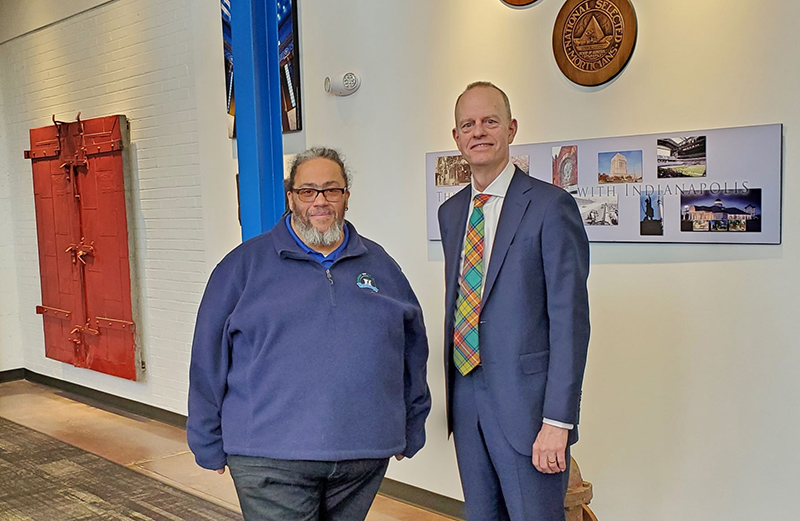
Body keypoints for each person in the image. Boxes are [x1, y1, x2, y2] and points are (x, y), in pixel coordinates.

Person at [188, 147, 431, 521]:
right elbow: (208, 357)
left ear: (347, 197)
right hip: (269, 457)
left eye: (332, 190)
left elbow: (413, 350)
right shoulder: (243, 266)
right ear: (291, 197)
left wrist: (412, 425)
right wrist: (205, 438)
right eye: (308, 191)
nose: (320, 201)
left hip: (361, 457)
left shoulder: (381, 266)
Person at [438, 82, 590, 520]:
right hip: (466, 396)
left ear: (511, 128)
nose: (478, 132)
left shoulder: (550, 206)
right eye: (468, 124)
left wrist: (558, 422)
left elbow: (570, 322)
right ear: (456, 137)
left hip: (528, 408)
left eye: (490, 121)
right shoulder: (452, 213)